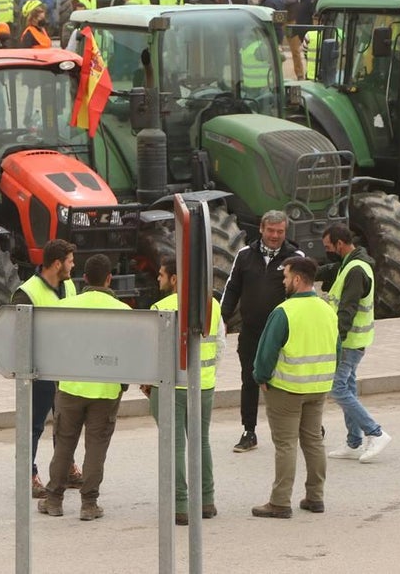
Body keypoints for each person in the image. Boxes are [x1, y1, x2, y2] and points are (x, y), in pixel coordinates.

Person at [38, 253, 128, 522]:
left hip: (70, 388)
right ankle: (89, 504)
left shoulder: (67, 306)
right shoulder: (123, 312)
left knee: (64, 445)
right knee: (96, 448)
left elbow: (53, 345)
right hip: (105, 392)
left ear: (85, 278)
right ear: (110, 279)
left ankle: (54, 500)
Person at [251, 255, 338, 518]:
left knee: (286, 444)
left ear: (298, 279)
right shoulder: (327, 309)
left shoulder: (284, 311)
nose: (284, 281)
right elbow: (338, 348)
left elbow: (266, 352)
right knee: (313, 441)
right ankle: (315, 496)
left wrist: (261, 377)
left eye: (286, 276)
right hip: (319, 386)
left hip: (287, 388)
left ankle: (280, 502)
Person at [146, 256, 225, 525]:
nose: (158, 279)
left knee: (175, 444)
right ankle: (206, 500)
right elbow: (221, 345)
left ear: (175, 279)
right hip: (203, 384)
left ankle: (180, 505)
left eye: (161, 275)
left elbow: (152, 352)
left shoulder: (160, 307)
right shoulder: (212, 304)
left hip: (170, 386)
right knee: (201, 441)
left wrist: (149, 382)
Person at [221, 210, 303, 453]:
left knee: (288, 382)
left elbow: (303, 293)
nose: (275, 236)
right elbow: (232, 289)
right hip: (251, 332)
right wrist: (221, 320)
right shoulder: (244, 256)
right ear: (261, 228)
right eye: (271, 230)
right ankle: (249, 431)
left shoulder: (295, 257)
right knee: (250, 380)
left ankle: (303, 425)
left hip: (283, 334)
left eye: (280, 231)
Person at [12, 239, 83, 498]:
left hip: (64, 367)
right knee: (34, 425)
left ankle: (65, 469)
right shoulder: (27, 293)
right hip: (39, 370)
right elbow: (19, 337)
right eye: (70, 261)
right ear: (56, 264)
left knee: (66, 423)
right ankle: (28, 474)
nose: (73, 266)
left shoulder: (70, 287)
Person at [320, 224, 392, 463]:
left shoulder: (355, 269)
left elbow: (347, 310)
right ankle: (353, 442)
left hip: (348, 342)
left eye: (329, 246)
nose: (328, 251)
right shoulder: (351, 263)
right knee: (348, 387)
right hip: (355, 340)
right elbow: (332, 274)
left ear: (340, 244)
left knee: (338, 388)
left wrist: (335, 341)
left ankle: (375, 432)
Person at [274, 0, 304, 78]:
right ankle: (277, 74)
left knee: (295, 49)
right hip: (277, 21)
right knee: (275, 48)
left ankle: (299, 73)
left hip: (290, 21)